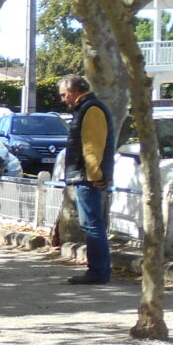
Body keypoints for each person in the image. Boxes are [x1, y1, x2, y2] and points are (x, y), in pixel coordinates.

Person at [58, 73, 116, 286]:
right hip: (87, 176)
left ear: (74, 91)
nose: (63, 99)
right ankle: (98, 270)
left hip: (88, 178)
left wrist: (95, 176)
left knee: (92, 225)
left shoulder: (90, 109)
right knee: (90, 224)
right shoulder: (88, 108)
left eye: (64, 95)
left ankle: (98, 271)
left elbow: (92, 146)